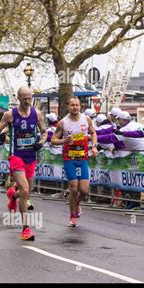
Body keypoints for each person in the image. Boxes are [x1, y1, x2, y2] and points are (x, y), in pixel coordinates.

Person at [0, 86, 48, 241]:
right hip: (16, 157)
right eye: (24, 98)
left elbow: (44, 132)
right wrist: (0, 137)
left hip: (31, 157)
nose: (27, 101)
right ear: (18, 98)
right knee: (25, 188)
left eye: (29, 97)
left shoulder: (37, 114)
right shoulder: (10, 114)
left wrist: (41, 142)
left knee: (26, 192)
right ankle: (25, 229)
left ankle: (13, 195)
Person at [51, 96, 98, 227]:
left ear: (80, 106)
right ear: (68, 106)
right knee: (73, 188)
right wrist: (64, 140)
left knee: (84, 190)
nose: (75, 107)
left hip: (82, 157)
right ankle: (72, 217)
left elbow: (93, 133)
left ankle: (76, 204)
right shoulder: (63, 122)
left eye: (77, 105)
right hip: (69, 158)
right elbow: (53, 140)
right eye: (72, 105)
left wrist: (94, 146)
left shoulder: (86, 119)